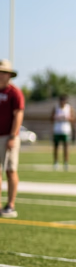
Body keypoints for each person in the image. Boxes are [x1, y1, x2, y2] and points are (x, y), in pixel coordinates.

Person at [0, 60, 24, 218]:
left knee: (10, 170)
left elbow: (18, 115)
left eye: (3, 72)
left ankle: (10, 205)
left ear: (9, 75)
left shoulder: (14, 92)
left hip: (8, 137)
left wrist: (12, 136)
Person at [51, 94, 74, 171]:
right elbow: (51, 118)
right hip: (57, 130)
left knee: (66, 147)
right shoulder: (56, 107)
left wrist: (67, 118)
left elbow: (73, 118)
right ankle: (56, 162)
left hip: (65, 130)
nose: (62, 102)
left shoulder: (69, 108)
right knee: (56, 147)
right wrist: (57, 117)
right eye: (61, 100)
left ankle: (66, 162)